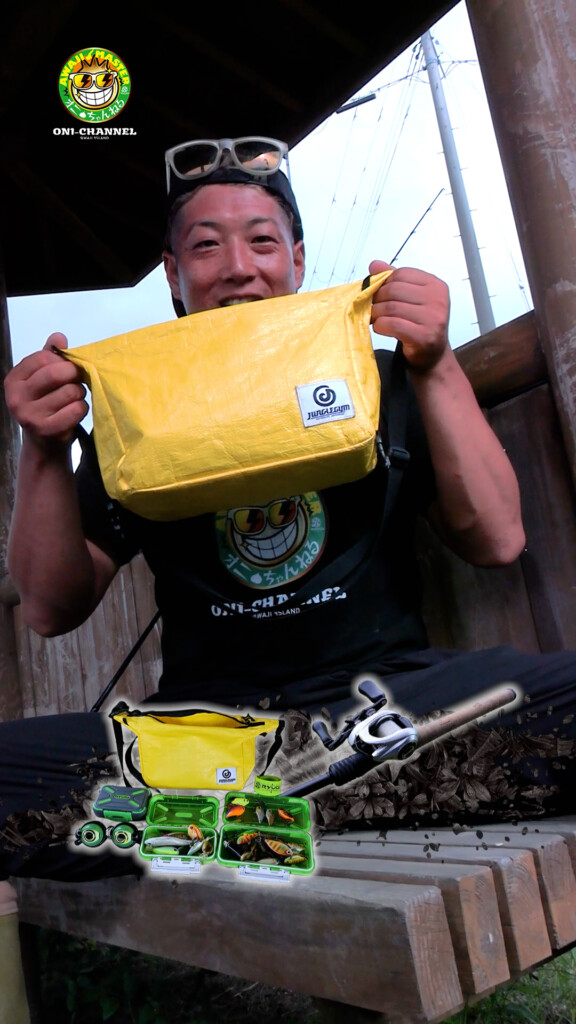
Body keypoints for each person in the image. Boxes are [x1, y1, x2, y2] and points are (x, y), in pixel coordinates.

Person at [2, 136, 576, 1020]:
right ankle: (311, 804)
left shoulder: (379, 379)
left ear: (298, 261)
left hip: (387, 715)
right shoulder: (133, 414)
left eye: (263, 241)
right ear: (174, 275)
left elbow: (498, 538)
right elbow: (48, 607)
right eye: (206, 246)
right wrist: (43, 449)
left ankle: (250, 822)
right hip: (204, 745)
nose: (238, 267)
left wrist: (434, 362)